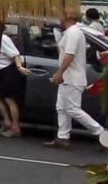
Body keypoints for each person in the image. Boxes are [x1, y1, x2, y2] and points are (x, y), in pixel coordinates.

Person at [45, 11, 105, 149]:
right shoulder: (71, 32)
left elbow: (69, 55)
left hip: (72, 78)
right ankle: (62, 137)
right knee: (61, 107)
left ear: (67, 17)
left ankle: (102, 133)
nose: (58, 19)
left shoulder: (73, 33)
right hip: (68, 77)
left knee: (72, 109)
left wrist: (59, 73)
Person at [0, 32, 29, 138]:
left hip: (8, 72)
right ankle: (7, 121)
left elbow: (15, 54)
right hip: (0, 72)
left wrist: (19, 67)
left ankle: (15, 127)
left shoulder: (3, 39)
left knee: (9, 99)